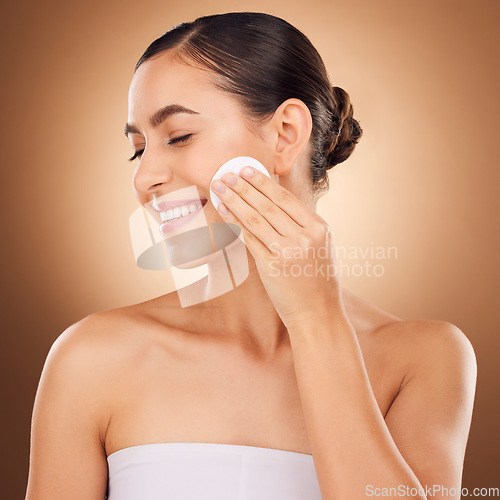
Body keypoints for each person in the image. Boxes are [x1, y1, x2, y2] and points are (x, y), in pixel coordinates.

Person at [25, 12, 477, 500]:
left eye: (178, 136)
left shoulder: (423, 359)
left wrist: (315, 320)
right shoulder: (91, 358)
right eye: (139, 149)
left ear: (284, 134)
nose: (145, 178)